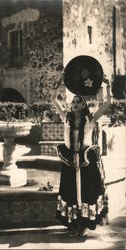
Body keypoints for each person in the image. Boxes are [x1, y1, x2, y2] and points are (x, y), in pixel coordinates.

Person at [51, 78, 111, 237]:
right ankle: (73, 223)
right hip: (70, 161)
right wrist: (58, 85)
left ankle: (84, 224)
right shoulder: (66, 117)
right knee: (70, 192)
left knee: (86, 193)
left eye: (79, 101)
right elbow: (53, 99)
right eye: (74, 101)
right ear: (71, 104)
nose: (76, 103)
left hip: (86, 161)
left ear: (84, 104)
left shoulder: (89, 119)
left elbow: (106, 104)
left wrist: (107, 86)